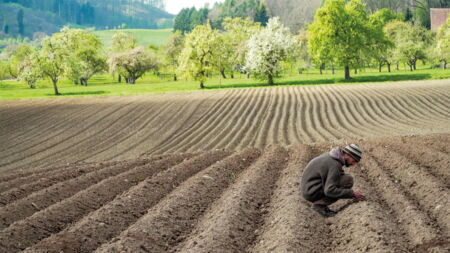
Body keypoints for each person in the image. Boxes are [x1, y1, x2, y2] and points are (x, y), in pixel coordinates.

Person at [300, 144, 365, 217]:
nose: (353, 164)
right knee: (347, 181)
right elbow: (329, 190)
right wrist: (352, 193)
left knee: (345, 179)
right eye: (353, 161)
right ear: (346, 155)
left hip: (309, 188)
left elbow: (335, 175)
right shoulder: (334, 164)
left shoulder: (332, 156)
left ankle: (322, 205)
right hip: (311, 192)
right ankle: (319, 206)